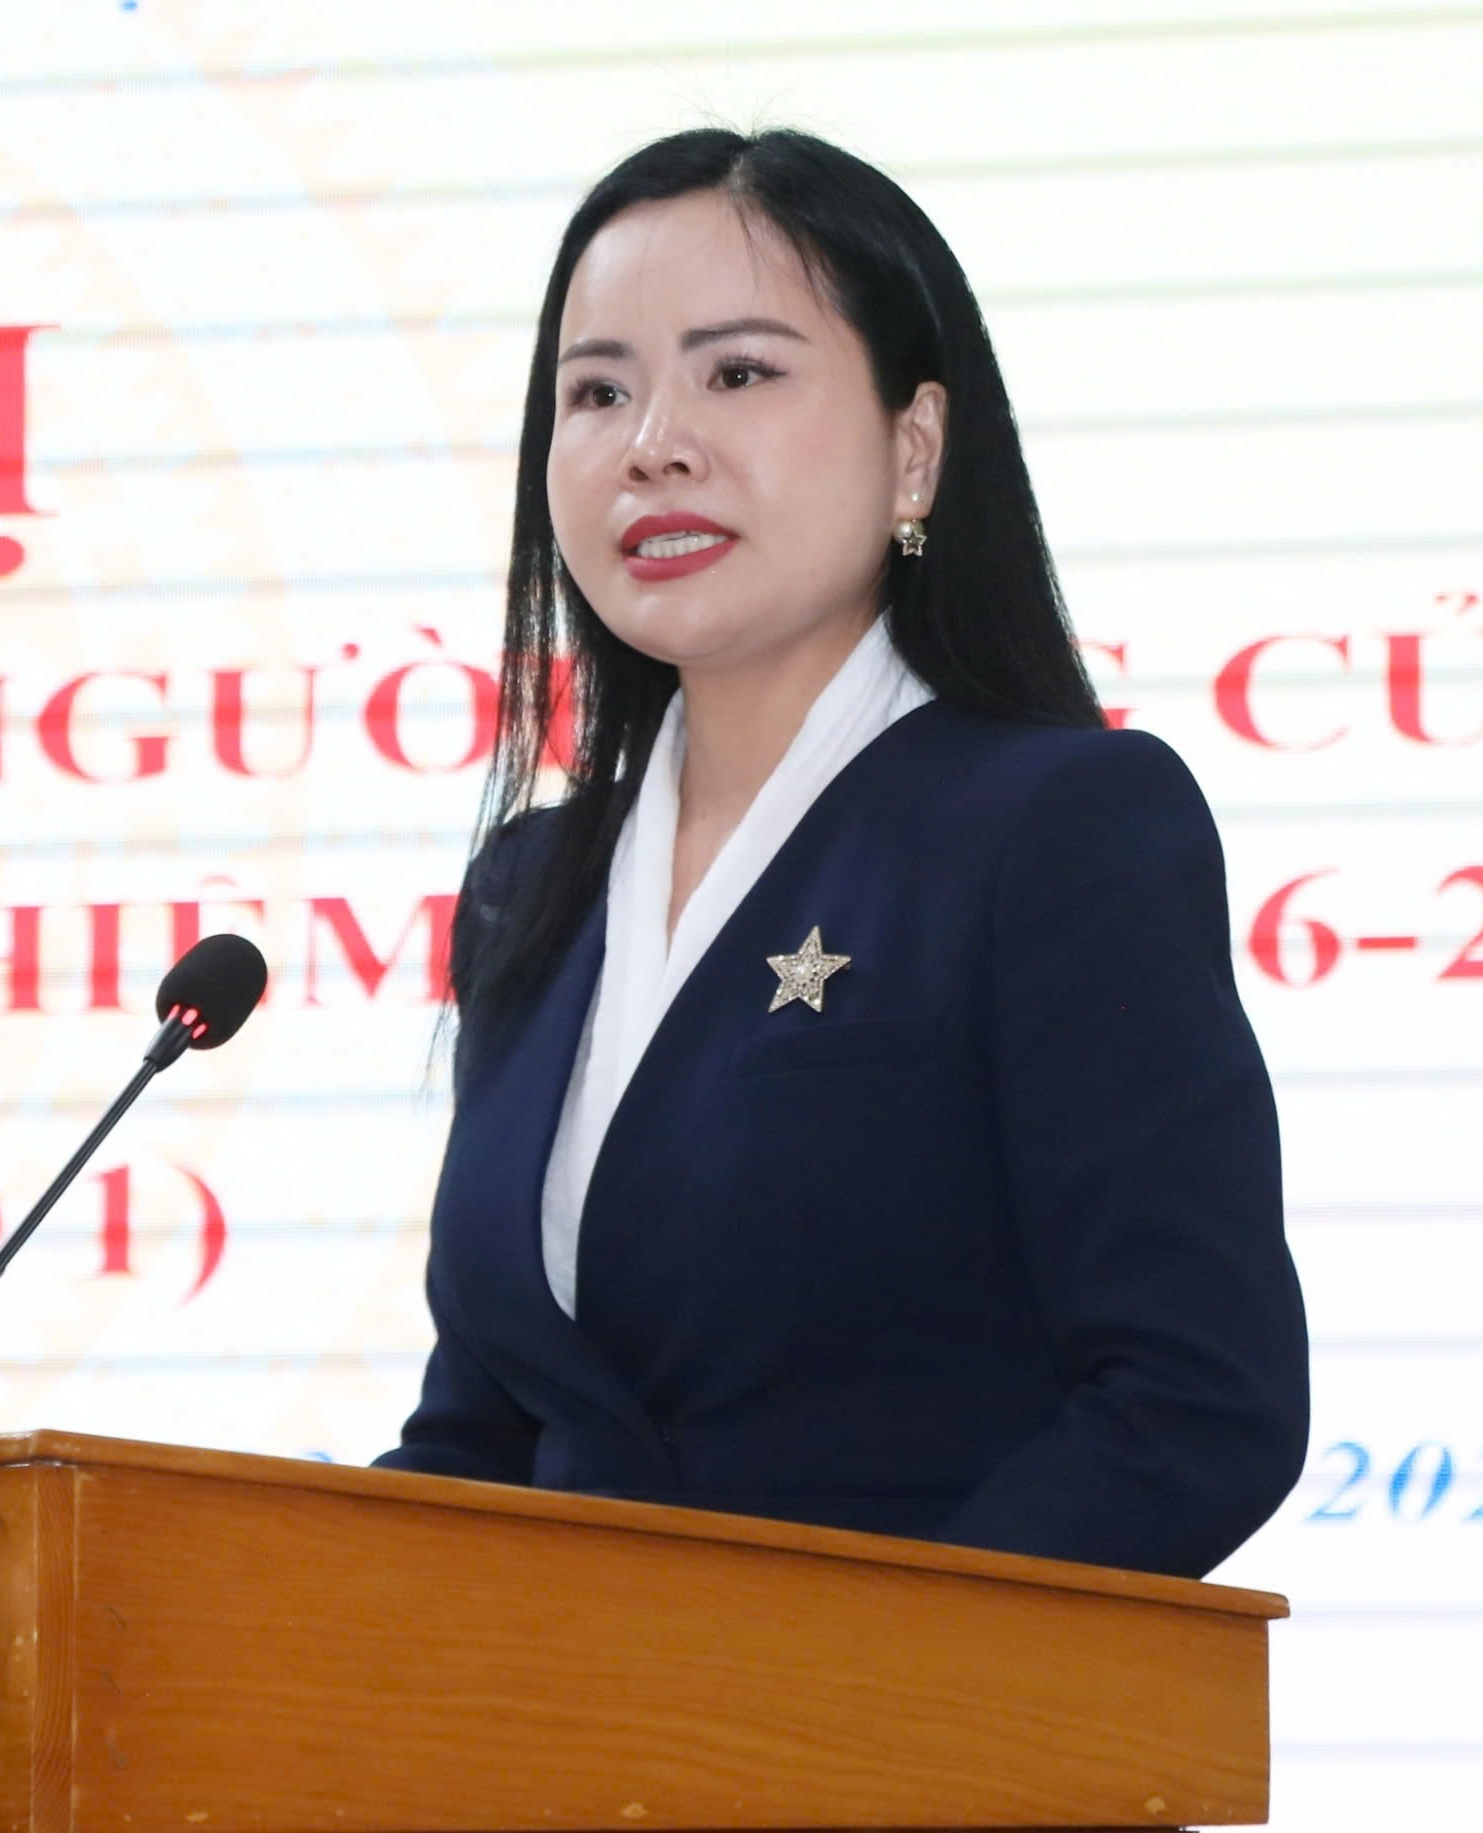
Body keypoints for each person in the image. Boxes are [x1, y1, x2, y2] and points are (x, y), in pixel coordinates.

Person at [370, 128, 1309, 1581]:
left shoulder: (1058, 827)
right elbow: (484, 1438)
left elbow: (1193, 1407)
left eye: (738, 374)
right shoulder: (530, 886)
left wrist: (856, 1684)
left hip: (917, 1717)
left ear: (913, 448)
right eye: (598, 391)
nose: (653, 442)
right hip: (568, 1719)